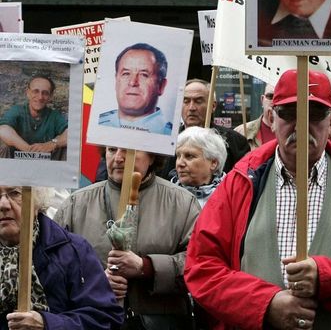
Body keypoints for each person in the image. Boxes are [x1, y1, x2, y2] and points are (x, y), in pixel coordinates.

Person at [184, 69, 331, 329]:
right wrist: (266, 303)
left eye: (315, 114)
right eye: (289, 113)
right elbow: (202, 267)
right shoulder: (238, 183)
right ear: (272, 119)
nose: (301, 124)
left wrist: (327, 277)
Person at [54, 147, 200, 329]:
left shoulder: (182, 203)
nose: (118, 158)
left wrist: (146, 267)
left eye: (130, 150)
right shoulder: (75, 205)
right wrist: (94, 281)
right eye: (112, 150)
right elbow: (52, 268)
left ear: (152, 156)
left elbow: (200, 264)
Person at [0, 186, 123, 329]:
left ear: (37, 202)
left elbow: (105, 319)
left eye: (15, 193)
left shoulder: (73, 250)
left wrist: (47, 324)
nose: (3, 204)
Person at [158, 79, 250, 179]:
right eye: (186, 101)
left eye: (198, 101)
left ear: (213, 106)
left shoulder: (234, 141)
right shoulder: (166, 139)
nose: (191, 107)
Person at [98, 43, 172, 135]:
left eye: (144, 75)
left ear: (161, 86)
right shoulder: (95, 124)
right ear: (116, 80)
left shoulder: (171, 136)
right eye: (126, 73)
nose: (133, 82)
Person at [0, 74, 68, 161]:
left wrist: (51, 144)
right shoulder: (17, 110)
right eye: (35, 91)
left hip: (46, 164)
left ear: (50, 96)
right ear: (28, 93)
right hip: (17, 163)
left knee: (65, 149)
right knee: (5, 147)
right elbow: (3, 129)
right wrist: (29, 150)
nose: (40, 97)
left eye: (45, 93)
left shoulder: (54, 115)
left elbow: (70, 134)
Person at [171, 126, 227, 208]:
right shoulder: (165, 194)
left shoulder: (230, 197)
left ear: (213, 163)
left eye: (189, 156)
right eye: (178, 156)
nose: (180, 163)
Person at [234, 84, 276, 150]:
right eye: (271, 96)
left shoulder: (294, 134)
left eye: (280, 97)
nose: (275, 101)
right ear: (262, 100)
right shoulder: (241, 132)